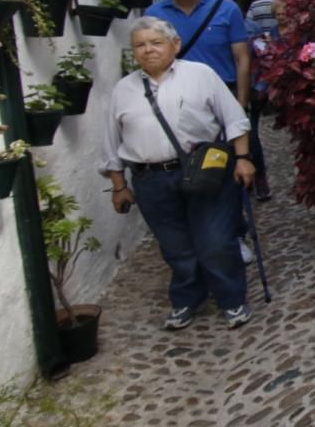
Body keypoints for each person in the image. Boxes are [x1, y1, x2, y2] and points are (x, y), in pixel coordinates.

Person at [100, 17, 256, 330]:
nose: (148, 50)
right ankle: (187, 298)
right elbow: (110, 142)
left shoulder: (200, 75)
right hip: (150, 180)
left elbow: (234, 119)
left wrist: (242, 158)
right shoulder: (124, 90)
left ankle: (231, 298)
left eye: (155, 43)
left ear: (175, 45)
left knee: (215, 241)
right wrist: (119, 186)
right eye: (140, 45)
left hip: (205, 171)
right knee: (176, 247)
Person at [148, 0, 271, 204]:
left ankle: (251, 188)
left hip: (224, 93)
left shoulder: (226, 9)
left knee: (241, 148)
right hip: (177, 97)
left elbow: (242, 58)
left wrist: (241, 102)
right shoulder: (155, 13)